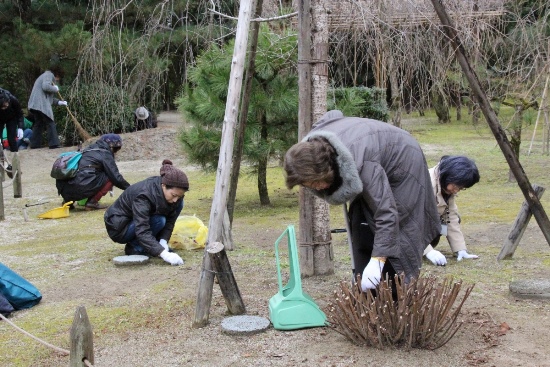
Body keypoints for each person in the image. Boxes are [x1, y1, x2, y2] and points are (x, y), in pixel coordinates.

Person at [283, 110, 440, 292]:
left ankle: (395, 291)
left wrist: (377, 261)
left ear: (326, 170)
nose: (316, 188)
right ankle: (363, 284)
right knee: (361, 220)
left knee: (400, 225)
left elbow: (387, 213)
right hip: (371, 148)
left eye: (316, 182)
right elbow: (333, 115)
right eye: (308, 185)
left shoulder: (364, 164)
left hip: (403, 161)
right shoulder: (313, 147)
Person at [104, 159, 187, 266]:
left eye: (179, 196)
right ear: (163, 186)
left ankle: (151, 245)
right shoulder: (144, 196)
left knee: (178, 205)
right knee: (159, 220)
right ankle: (134, 247)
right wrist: (163, 254)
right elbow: (142, 229)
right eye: (174, 195)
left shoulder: (174, 198)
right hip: (119, 226)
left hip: (135, 222)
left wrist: (163, 241)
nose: (176, 199)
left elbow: (170, 222)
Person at [423, 155, 480, 266]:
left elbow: (451, 218)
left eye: (461, 188)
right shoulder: (425, 184)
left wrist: (460, 249)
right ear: (448, 176)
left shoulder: (445, 186)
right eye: (456, 186)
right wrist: (428, 251)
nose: (456, 191)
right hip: (403, 230)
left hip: (424, 228)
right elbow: (409, 222)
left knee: (452, 220)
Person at [56, 134, 130, 211]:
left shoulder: (88, 150)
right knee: (110, 177)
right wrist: (131, 188)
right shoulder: (105, 153)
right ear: (112, 147)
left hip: (64, 190)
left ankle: (68, 202)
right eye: (116, 149)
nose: (116, 152)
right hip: (81, 187)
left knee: (80, 175)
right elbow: (116, 177)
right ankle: (92, 202)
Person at [28, 66, 67, 149]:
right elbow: (45, 87)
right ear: (57, 75)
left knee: (39, 123)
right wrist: (55, 89)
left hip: (35, 104)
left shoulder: (44, 76)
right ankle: (54, 144)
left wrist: (59, 102)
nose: (57, 80)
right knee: (50, 122)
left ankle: (35, 144)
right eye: (59, 78)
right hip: (40, 104)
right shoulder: (49, 75)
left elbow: (48, 98)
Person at [0, 88, 25, 178]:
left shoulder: (13, 100)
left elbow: (20, 114)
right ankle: (3, 164)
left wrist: (21, 127)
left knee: (12, 139)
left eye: (6, 105)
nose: (4, 108)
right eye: (2, 107)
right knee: (0, 143)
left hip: (12, 118)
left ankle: (15, 163)